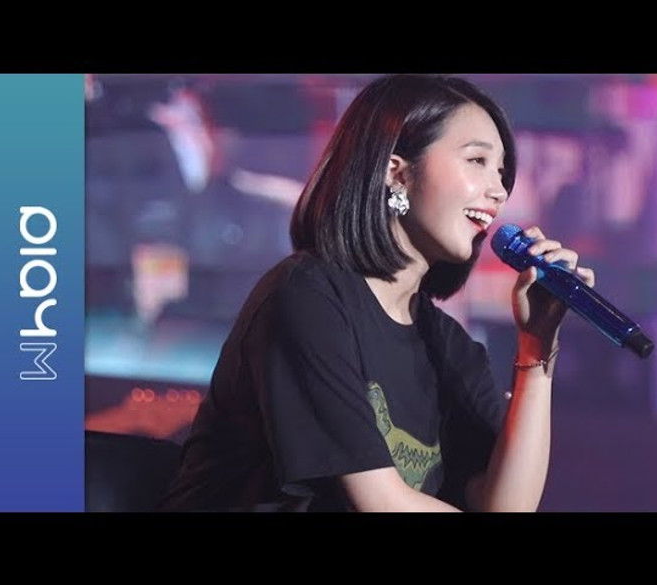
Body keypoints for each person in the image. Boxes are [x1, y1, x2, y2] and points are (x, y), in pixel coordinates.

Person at [157, 74, 596, 512]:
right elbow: (379, 501)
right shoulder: (308, 297)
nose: (499, 191)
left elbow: (506, 506)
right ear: (396, 172)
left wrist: (537, 349)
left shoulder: (449, 347)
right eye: (477, 160)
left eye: (501, 172)